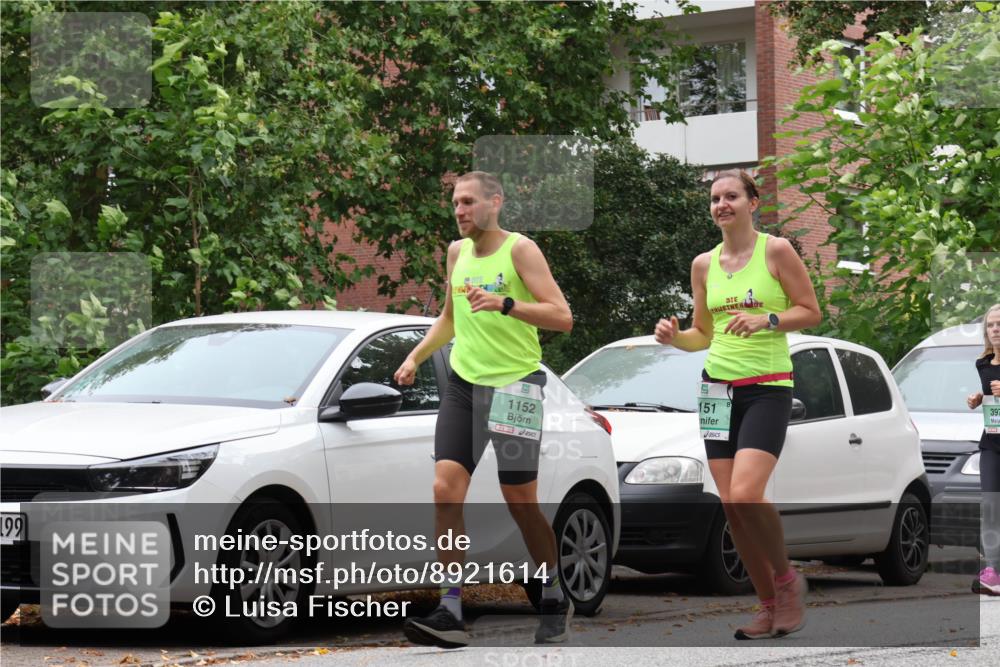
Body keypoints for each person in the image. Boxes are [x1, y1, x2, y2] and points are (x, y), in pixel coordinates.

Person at [393, 171, 574, 648]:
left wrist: (506, 303)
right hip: (465, 386)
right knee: (444, 490)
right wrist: (415, 355)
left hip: (516, 386)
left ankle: (552, 589)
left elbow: (562, 316)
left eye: (469, 202)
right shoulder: (457, 253)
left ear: (495, 202)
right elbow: (450, 319)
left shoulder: (521, 251)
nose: (460, 211)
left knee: (521, 502)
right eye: (455, 202)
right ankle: (451, 607)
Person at [653, 169, 821, 639]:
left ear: (752, 202)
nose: (721, 205)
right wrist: (673, 337)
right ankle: (767, 606)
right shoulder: (703, 264)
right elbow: (702, 335)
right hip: (716, 390)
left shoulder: (777, 250)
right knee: (731, 504)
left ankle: (787, 582)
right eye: (714, 198)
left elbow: (810, 310)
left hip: (768, 386)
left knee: (748, 493)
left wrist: (768, 318)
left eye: (731, 196)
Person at [967, 303, 1000, 595]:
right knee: (990, 506)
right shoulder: (983, 364)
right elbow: (992, 399)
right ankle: (994, 571)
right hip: (991, 442)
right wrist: (979, 397)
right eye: (991, 325)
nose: (996, 329)